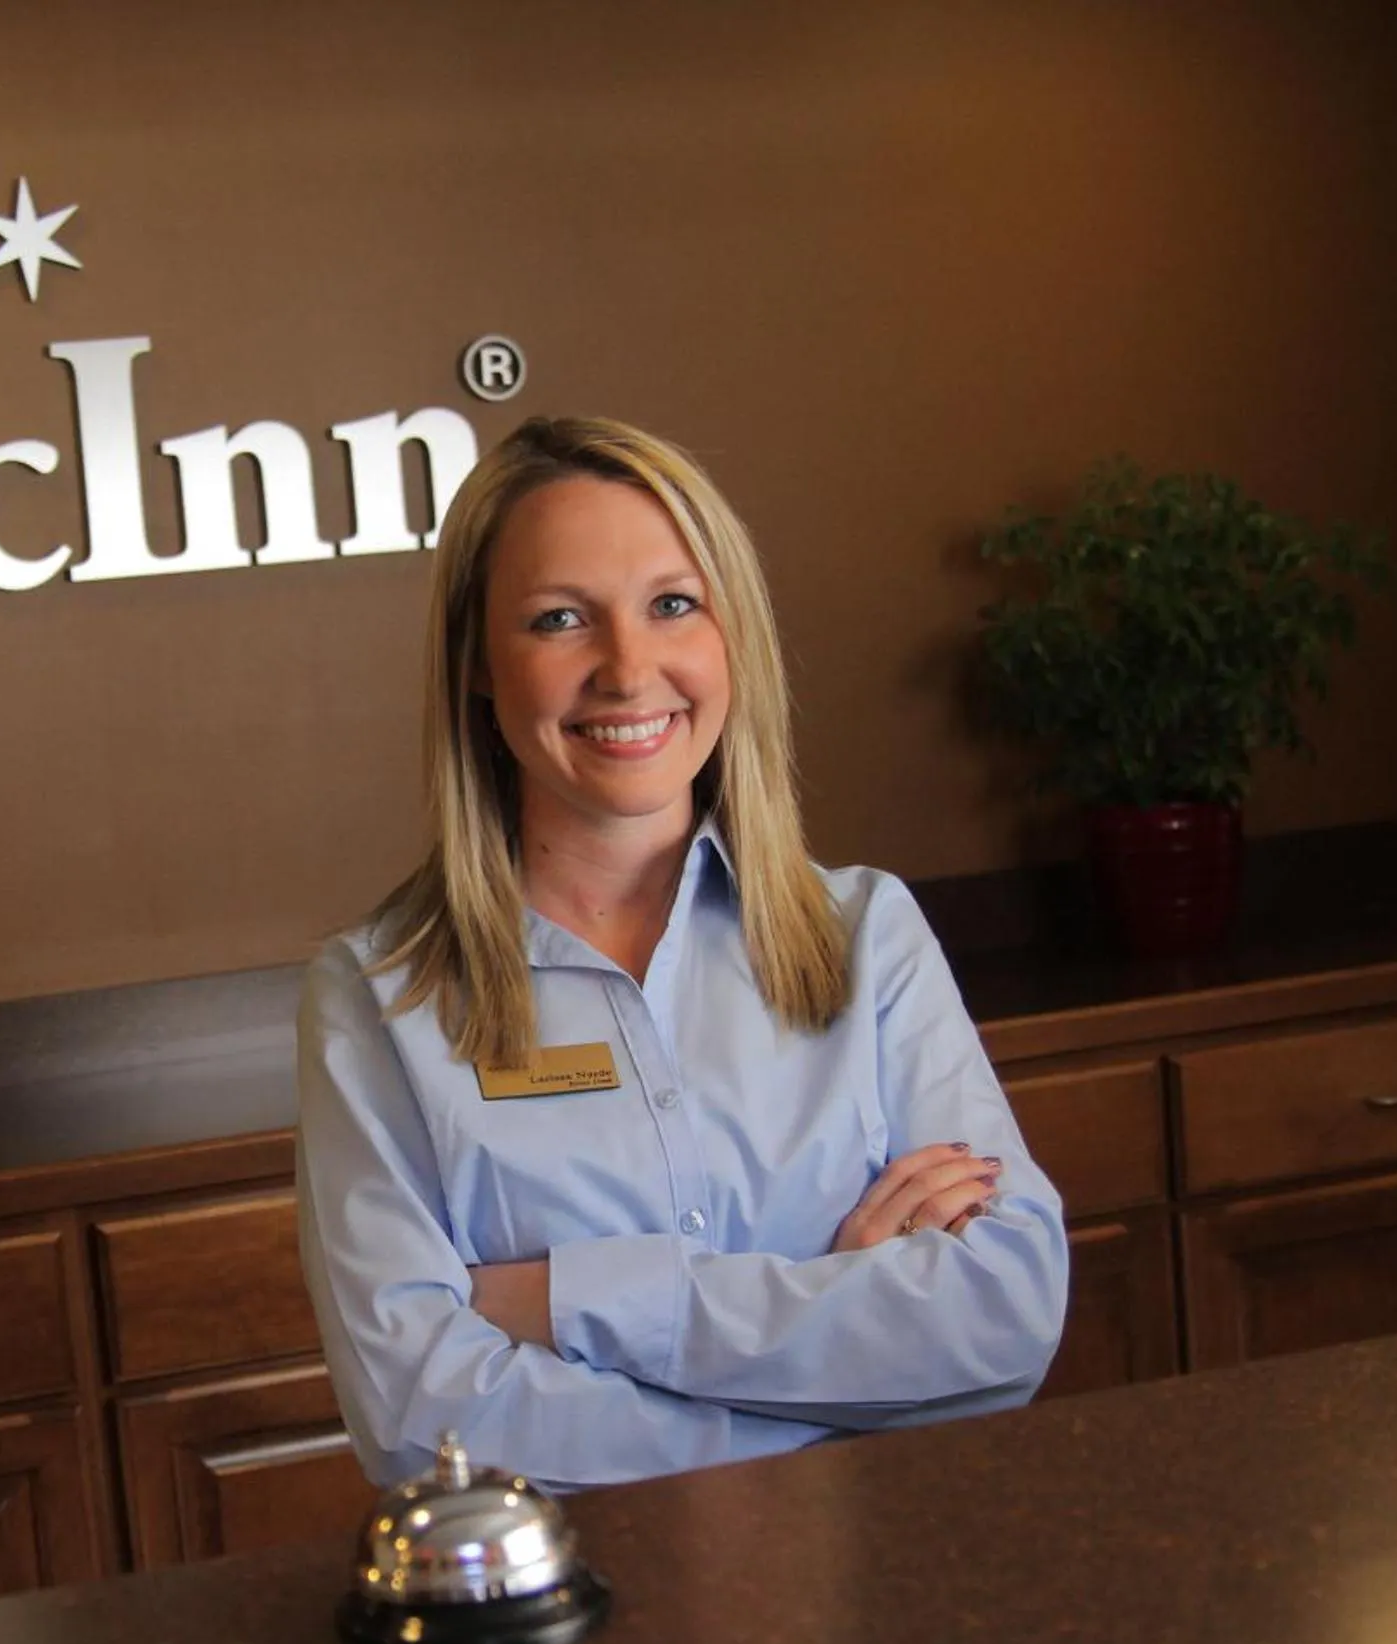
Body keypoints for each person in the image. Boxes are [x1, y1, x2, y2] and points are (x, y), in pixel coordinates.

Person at [296, 416, 1069, 1492]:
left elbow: (1002, 1314)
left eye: (672, 605)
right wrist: (837, 1370)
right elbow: (419, 1417)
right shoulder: (378, 997)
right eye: (558, 618)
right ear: (476, 662)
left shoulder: (865, 935)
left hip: (891, 1595)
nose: (627, 667)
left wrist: (566, 1300)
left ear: (729, 634)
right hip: (575, 1625)